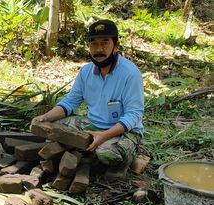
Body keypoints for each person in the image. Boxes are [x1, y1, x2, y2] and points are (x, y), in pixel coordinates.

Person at [32, 19, 144, 174]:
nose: (99, 49)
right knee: (51, 129)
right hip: (92, 125)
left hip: (122, 131)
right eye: (94, 43)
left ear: (116, 46)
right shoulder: (85, 72)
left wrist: (104, 135)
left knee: (108, 154)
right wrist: (44, 117)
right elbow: (70, 103)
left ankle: (126, 156)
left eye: (105, 43)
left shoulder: (130, 73)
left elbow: (134, 114)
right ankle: (88, 151)